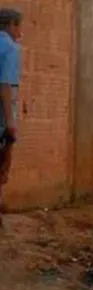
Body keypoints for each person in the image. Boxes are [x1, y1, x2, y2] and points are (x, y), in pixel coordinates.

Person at [0, 8, 21, 226]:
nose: (20, 33)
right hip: (2, 111)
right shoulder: (10, 48)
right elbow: (5, 85)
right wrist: (10, 122)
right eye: (18, 26)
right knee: (4, 159)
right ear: (11, 25)